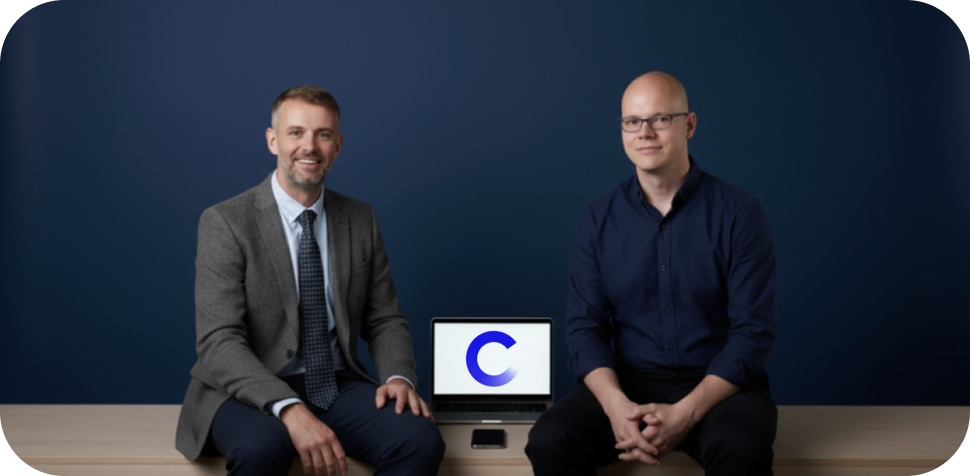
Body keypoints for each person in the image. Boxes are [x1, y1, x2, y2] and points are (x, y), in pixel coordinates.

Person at [175, 85, 445, 476]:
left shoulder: (360, 219)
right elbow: (219, 343)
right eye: (296, 132)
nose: (310, 146)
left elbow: (384, 319)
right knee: (262, 448)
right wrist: (289, 408)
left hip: (335, 384)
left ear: (337, 145)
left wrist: (398, 376)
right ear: (273, 141)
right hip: (244, 389)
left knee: (419, 440)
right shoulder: (225, 222)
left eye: (322, 134)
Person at [525, 72, 778, 475]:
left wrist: (686, 413)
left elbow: (753, 334)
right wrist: (615, 406)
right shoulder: (596, 219)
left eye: (660, 119)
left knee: (741, 448)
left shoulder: (740, 214)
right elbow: (584, 329)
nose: (645, 132)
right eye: (632, 121)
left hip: (719, 388)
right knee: (549, 441)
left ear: (689, 125)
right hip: (627, 386)